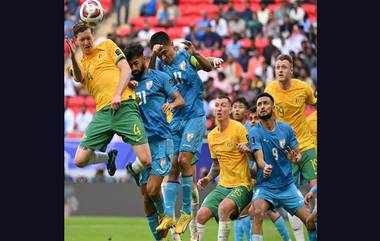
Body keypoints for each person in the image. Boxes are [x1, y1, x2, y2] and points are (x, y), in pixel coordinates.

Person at [65, 22, 152, 177]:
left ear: (92, 34)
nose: (86, 42)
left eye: (88, 37)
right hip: (103, 113)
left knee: (146, 160)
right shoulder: (80, 64)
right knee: (79, 160)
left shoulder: (107, 45)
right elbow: (78, 77)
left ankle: (132, 169)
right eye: (82, 40)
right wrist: (72, 54)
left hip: (125, 106)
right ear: (76, 41)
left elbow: (125, 69)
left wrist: (118, 93)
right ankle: (108, 158)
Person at [148, 32, 212, 235]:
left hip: (194, 115)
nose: (164, 58)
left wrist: (197, 53)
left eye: (165, 53)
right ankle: (168, 215)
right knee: (172, 166)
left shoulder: (186, 56)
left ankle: (185, 212)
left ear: (170, 45)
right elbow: (148, 80)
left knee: (185, 160)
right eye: (161, 56)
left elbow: (207, 67)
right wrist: (154, 56)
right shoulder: (160, 65)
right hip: (175, 119)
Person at [124, 44, 185, 241]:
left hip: (162, 140)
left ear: (143, 58)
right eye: (130, 65)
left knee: (152, 189)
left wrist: (172, 104)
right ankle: (161, 239)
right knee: (146, 197)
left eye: (135, 63)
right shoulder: (128, 83)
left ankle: (168, 219)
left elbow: (180, 100)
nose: (133, 68)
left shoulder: (159, 78)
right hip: (143, 144)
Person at [246, 92, 317, 241]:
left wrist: (295, 158)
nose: (262, 107)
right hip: (265, 187)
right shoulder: (254, 132)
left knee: (311, 222)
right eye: (259, 105)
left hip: (287, 186)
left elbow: (297, 155)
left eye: (265, 103)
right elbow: (259, 158)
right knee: (257, 213)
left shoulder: (287, 130)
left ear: (273, 107)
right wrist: (264, 166)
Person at [265, 54, 317, 241]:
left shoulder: (303, 88)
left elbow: (315, 102)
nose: (280, 70)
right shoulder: (270, 89)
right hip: (285, 152)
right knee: (291, 198)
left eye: (284, 67)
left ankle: (315, 227)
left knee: (316, 187)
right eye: (277, 67)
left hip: (306, 145)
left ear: (292, 70)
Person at [232, 97, 291, 241]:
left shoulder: (256, 132)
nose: (253, 120)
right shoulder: (244, 131)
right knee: (260, 212)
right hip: (251, 176)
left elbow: (258, 160)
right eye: (251, 118)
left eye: (255, 118)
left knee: (249, 211)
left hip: (262, 179)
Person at [196, 94, 254, 241]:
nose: (219, 109)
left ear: (229, 110)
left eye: (223, 105)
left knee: (223, 209)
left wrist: (249, 151)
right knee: (200, 215)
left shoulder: (239, 129)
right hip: (223, 186)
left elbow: (254, 154)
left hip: (242, 185)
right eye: (217, 106)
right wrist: (208, 178)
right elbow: (216, 165)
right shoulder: (212, 136)